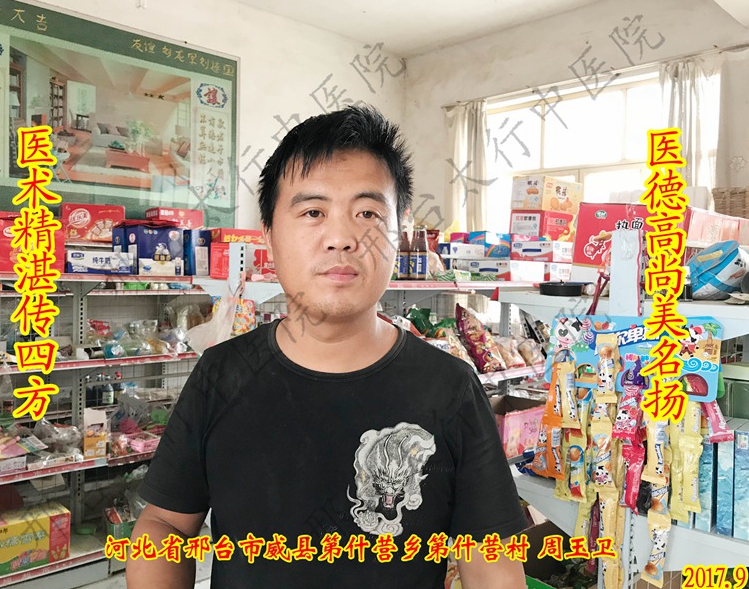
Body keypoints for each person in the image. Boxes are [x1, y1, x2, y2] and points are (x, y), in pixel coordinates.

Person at [127, 105, 528, 589]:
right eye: (313, 212)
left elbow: (489, 556)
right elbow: (165, 523)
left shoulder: (449, 387)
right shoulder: (222, 374)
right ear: (269, 236)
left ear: (399, 233)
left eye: (367, 213)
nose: (341, 238)